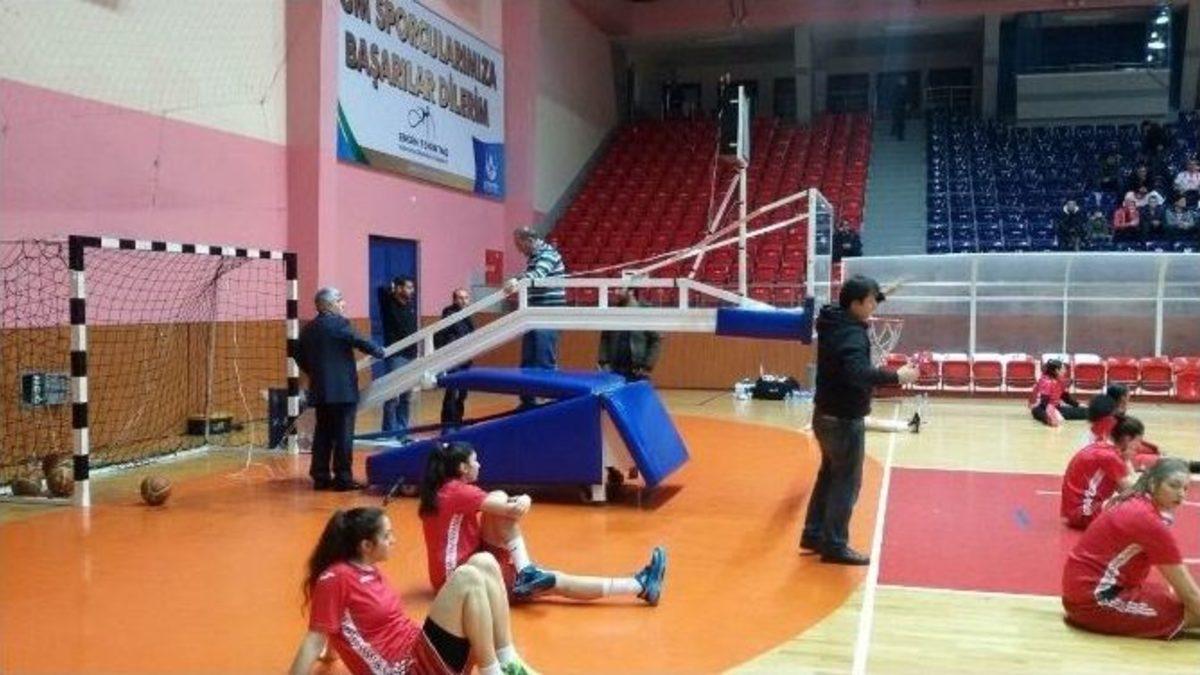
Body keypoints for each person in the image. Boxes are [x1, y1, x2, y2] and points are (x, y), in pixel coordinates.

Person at [289, 507, 537, 675]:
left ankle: (508, 661)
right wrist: (324, 651)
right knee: (467, 577)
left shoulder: (367, 570)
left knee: (484, 561)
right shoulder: (336, 578)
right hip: (405, 669)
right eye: (387, 535)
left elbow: (338, 626)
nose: (394, 540)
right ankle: (492, 671)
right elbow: (315, 638)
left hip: (421, 653)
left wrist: (331, 655)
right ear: (366, 545)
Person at [418, 441, 667, 605]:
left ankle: (526, 571)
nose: (479, 464)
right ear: (463, 467)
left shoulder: (446, 490)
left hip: (466, 566)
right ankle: (638, 586)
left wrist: (514, 500)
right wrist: (526, 497)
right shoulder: (459, 492)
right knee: (557, 581)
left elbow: (502, 506)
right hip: (460, 581)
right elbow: (513, 511)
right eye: (475, 461)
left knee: (498, 497)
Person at [801, 276, 918, 565]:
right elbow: (857, 373)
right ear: (855, 304)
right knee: (847, 482)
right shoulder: (851, 335)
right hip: (843, 419)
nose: (874, 305)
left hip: (823, 415)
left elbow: (854, 303)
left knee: (829, 476)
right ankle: (834, 544)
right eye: (871, 301)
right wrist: (897, 376)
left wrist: (882, 293)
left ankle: (813, 534)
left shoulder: (833, 318)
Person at [1061, 457, 1200, 639]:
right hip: (1093, 602)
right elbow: (1191, 596)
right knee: (1189, 613)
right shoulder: (1148, 521)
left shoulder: (1135, 500)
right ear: (1153, 484)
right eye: (1174, 486)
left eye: (1185, 488)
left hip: (1080, 592)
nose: (1181, 494)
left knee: (1171, 596)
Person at [297, 287, 386, 491]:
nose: (343, 304)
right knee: (343, 435)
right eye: (340, 300)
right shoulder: (339, 324)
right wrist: (378, 351)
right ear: (329, 305)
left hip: (320, 390)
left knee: (323, 434)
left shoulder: (308, 329)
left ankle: (320, 477)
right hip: (342, 392)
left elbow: (299, 356)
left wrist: (315, 372)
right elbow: (360, 340)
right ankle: (343, 478)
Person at [504, 227, 566, 409]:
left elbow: (537, 276)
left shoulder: (547, 254)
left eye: (519, 245)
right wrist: (517, 279)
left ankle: (547, 404)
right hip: (534, 315)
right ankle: (528, 402)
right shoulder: (535, 256)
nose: (518, 250)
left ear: (528, 241)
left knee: (543, 359)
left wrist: (516, 280)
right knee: (528, 360)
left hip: (548, 314)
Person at [1060, 415, 1143, 530]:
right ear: (1127, 439)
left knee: (1135, 501)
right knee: (1140, 508)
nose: (1139, 446)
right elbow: (1132, 490)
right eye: (1138, 441)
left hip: (1076, 512)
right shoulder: (1111, 457)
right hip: (1084, 514)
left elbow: (1121, 488)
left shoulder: (1103, 448)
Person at [380, 276, 418, 438]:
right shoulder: (389, 304)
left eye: (412, 288)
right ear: (399, 288)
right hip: (396, 356)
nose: (411, 291)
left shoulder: (410, 305)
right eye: (408, 287)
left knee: (406, 397)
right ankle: (388, 432)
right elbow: (381, 290)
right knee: (392, 396)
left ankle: (402, 430)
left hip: (411, 355)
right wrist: (392, 287)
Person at [598, 288, 661, 382]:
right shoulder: (613, 312)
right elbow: (605, 338)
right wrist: (603, 362)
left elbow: (655, 340)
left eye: (620, 289)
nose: (616, 292)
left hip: (637, 371)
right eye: (615, 289)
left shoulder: (643, 311)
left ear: (631, 291)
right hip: (614, 369)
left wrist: (647, 366)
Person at [434, 288, 475, 432]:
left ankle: (458, 421)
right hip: (453, 359)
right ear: (454, 299)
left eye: (466, 298)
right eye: (460, 298)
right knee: (451, 393)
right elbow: (439, 337)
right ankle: (447, 425)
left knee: (462, 393)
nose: (464, 301)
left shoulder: (468, 315)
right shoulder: (449, 314)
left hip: (465, 360)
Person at [1029, 359, 1086, 427]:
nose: (1065, 370)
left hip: (1053, 407)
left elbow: (1065, 397)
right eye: (1063, 368)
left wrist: (1078, 405)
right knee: (1085, 412)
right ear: (1057, 370)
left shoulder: (1058, 380)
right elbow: (1044, 402)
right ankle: (1048, 418)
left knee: (1084, 410)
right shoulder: (1047, 382)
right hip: (1045, 408)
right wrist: (1052, 414)